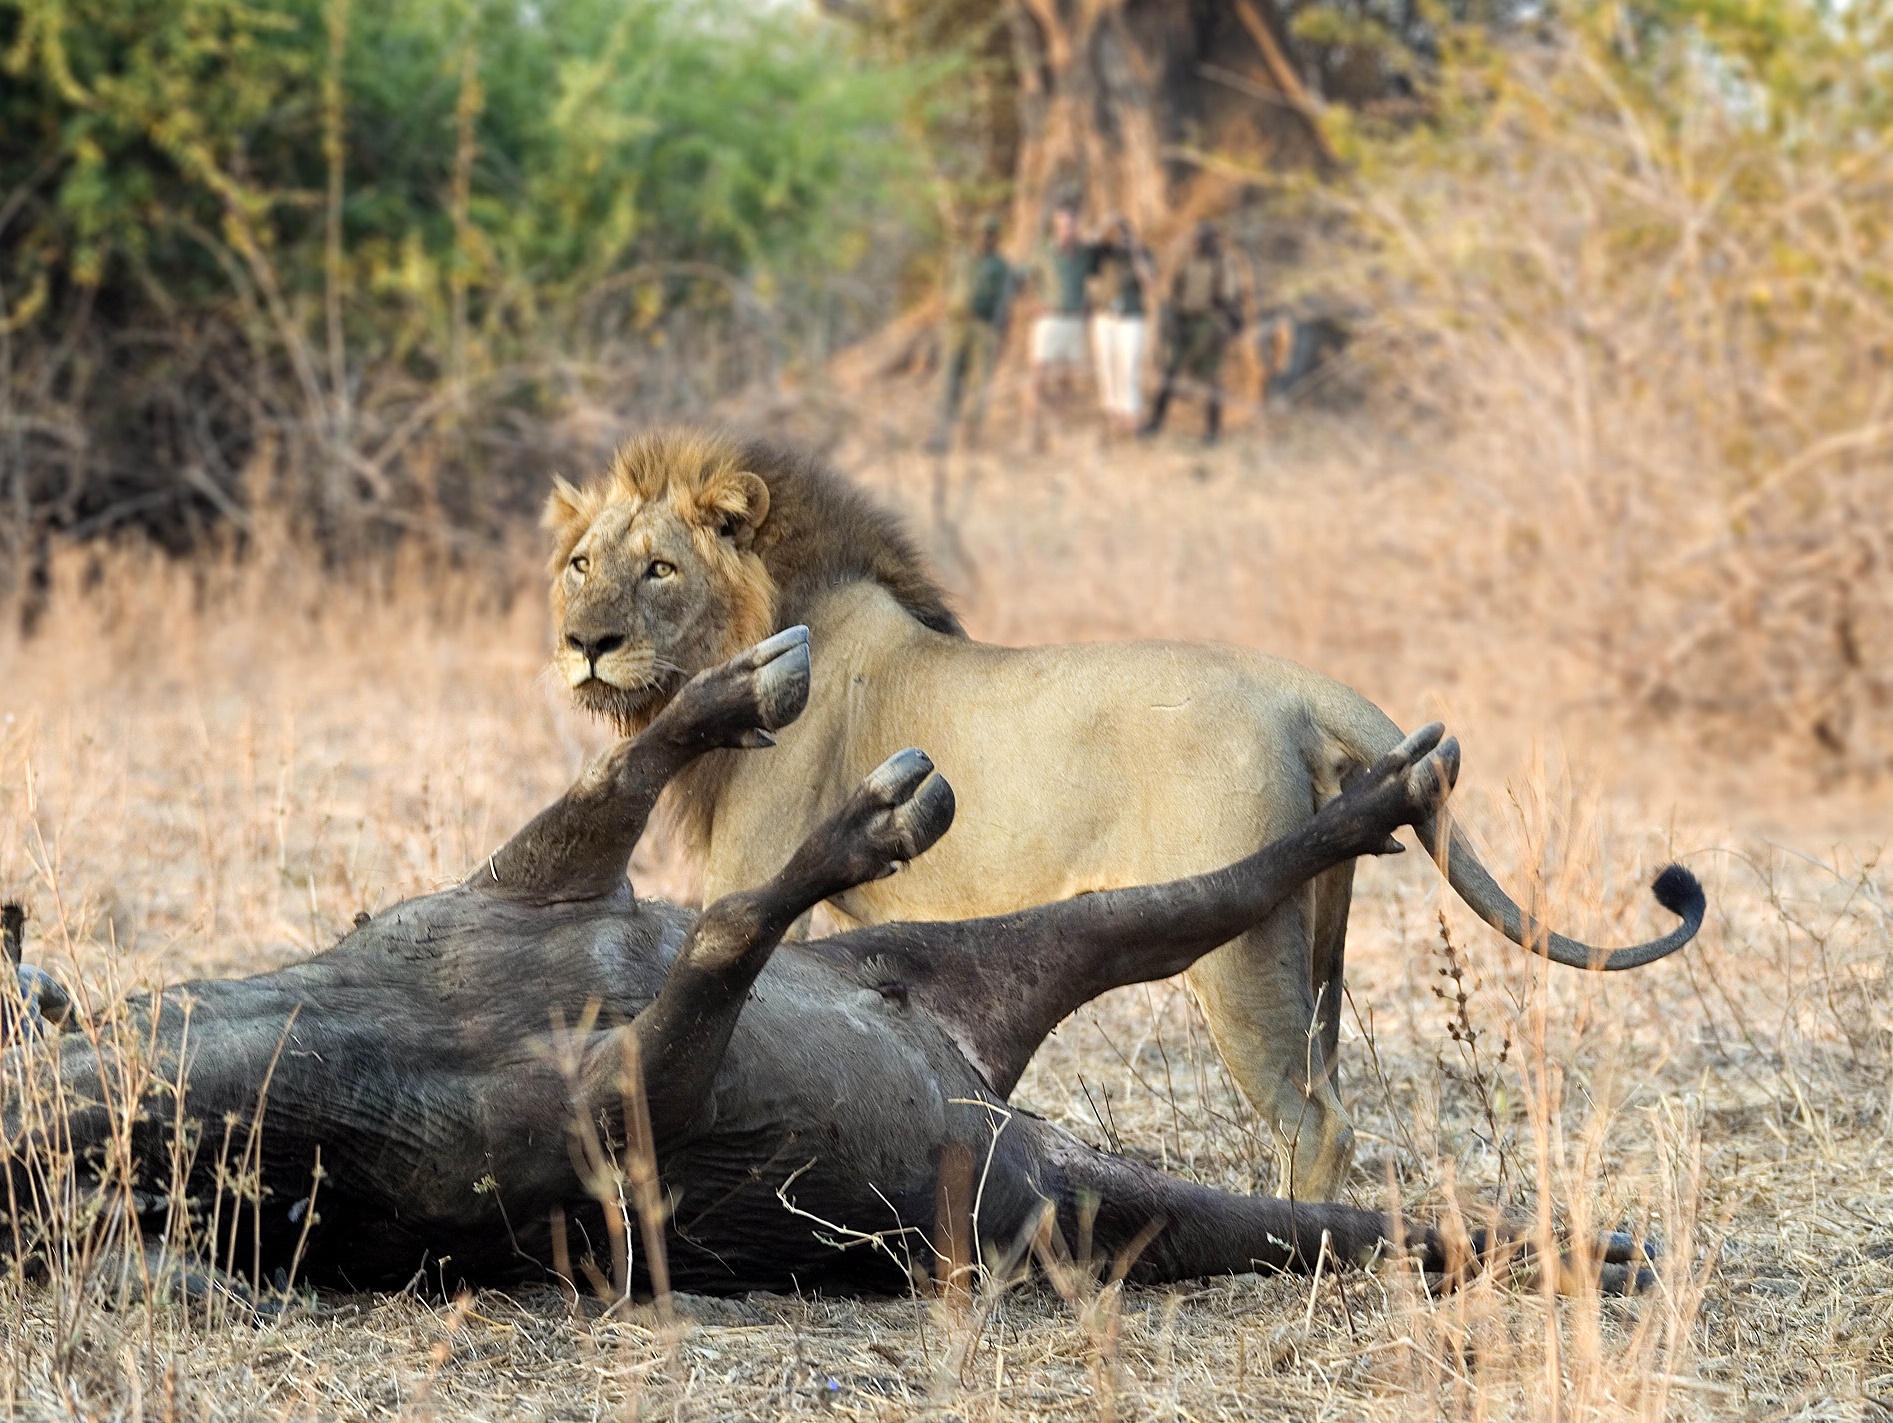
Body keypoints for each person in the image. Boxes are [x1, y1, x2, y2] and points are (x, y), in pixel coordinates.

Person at [1143, 220, 1245, 444]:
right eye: (1198, 238)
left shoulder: (1224, 262)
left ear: (1213, 239)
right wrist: (1172, 320)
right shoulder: (1187, 260)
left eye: (1205, 238)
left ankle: (1212, 431)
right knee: (1170, 374)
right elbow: (1176, 292)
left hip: (1210, 322)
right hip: (1184, 321)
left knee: (1211, 379)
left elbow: (1229, 299)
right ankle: (1154, 423)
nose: (1199, 242)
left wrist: (1224, 328)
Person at [927, 216, 1017, 454]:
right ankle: (942, 434)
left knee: (980, 382)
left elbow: (1005, 303)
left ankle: (971, 436)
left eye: (990, 234)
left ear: (996, 238)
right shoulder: (960, 259)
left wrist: (1003, 335)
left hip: (984, 327)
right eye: (982, 233)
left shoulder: (1001, 266)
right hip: (957, 325)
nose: (985, 238)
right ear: (975, 235)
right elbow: (946, 289)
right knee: (950, 378)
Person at [1024, 203, 1097, 451]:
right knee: (1038, 375)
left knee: (1067, 379)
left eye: (1072, 224)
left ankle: (1059, 426)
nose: (1068, 229)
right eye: (1064, 224)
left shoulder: (1084, 254)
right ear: (1056, 225)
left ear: (1078, 225)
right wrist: (1030, 304)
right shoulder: (1043, 252)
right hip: (1049, 320)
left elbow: (1101, 269)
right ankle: (1031, 429)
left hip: (1074, 320)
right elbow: (1022, 276)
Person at [1088, 216, 1155, 436]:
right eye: (1117, 234)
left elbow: (1148, 282)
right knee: (1106, 364)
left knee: (1129, 365)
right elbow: (1087, 250)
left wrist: (1134, 251)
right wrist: (1103, 228)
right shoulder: (1103, 255)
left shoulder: (1142, 254)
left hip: (1131, 317)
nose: (1120, 239)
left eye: (1125, 234)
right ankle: (1112, 412)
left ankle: (1131, 412)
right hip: (1105, 316)